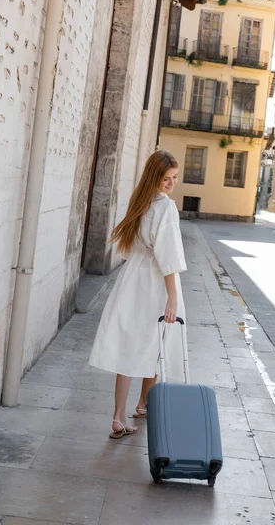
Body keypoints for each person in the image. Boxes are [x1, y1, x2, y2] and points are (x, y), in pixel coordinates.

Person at [89, 150, 187, 439]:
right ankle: (143, 404)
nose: (171, 184)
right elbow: (168, 257)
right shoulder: (166, 208)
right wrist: (172, 297)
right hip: (156, 281)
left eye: (174, 178)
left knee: (129, 346)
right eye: (166, 178)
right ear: (155, 177)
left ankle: (119, 416)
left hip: (133, 278)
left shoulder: (140, 201)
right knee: (157, 343)